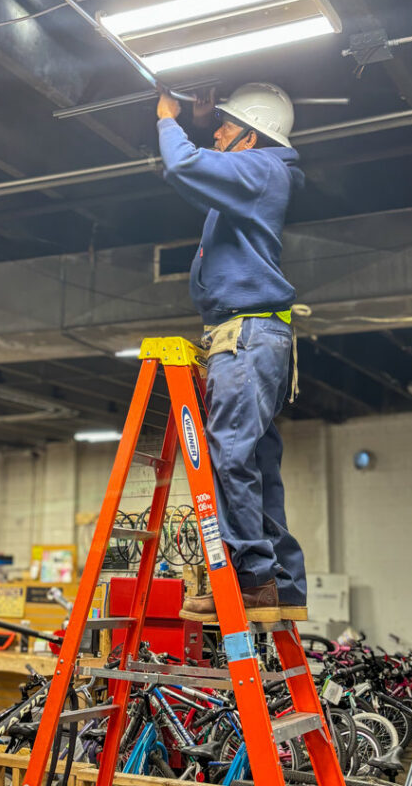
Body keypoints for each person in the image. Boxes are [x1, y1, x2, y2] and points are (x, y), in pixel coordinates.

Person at [156, 83, 307, 623]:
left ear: (252, 136)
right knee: (256, 460)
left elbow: (183, 166)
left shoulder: (261, 169)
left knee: (230, 454)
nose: (216, 132)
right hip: (257, 336)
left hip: (245, 337)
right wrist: (203, 124)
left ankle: (251, 578)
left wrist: (168, 119)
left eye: (226, 125)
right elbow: (205, 167)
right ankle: (280, 582)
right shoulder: (260, 174)